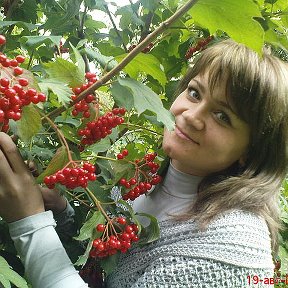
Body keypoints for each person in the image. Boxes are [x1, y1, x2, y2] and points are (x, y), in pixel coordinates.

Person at [0, 39, 287, 287]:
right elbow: (102, 259)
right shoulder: (141, 180)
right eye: (195, 92)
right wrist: (60, 212)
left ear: (252, 151)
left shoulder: (232, 253)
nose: (190, 116)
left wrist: (30, 222)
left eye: (223, 116)